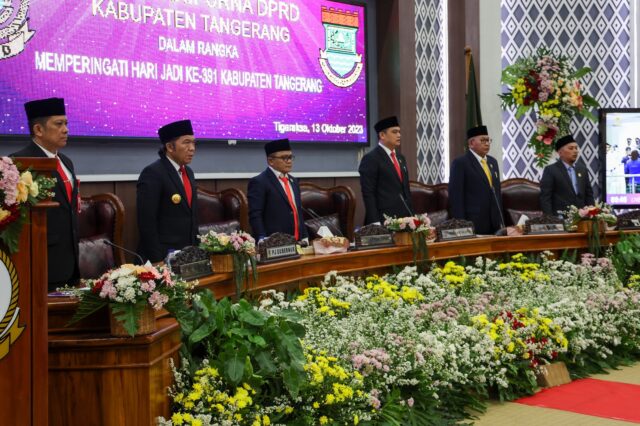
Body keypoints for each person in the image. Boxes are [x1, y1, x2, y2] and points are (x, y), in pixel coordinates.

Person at [10, 97, 79, 291]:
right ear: (38, 130)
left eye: (66, 123)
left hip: (70, 261)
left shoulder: (66, 162)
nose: (65, 129)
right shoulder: (19, 163)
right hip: (41, 260)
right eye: (58, 124)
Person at [136, 120, 199, 262]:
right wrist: (158, 260)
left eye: (194, 143)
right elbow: (147, 223)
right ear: (170, 147)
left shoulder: (188, 172)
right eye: (186, 142)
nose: (192, 148)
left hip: (188, 256)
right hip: (163, 258)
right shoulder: (153, 173)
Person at [248, 138, 308, 242]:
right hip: (274, 243)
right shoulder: (259, 182)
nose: (289, 161)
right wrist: (262, 239)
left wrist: (305, 236)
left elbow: (297, 211)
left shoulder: (293, 181)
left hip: (297, 242)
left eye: (290, 157)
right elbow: (255, 215)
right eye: (284, 158)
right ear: (271, 161)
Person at [448, 125, 504, 234]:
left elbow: (496, 192)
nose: (487, 143)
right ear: (471, 143)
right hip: (473, 222)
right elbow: (456, 197)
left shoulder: (493, 162)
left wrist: (500, 219)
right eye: (483, 140)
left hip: (494, 222)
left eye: (488, 140)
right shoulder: (461, 163)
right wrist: (461, 225)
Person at [358, 116, 413, 225]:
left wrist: (412, 216)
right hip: (384, 220)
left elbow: (405, 190)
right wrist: (375, 222)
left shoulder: (401, 158)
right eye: (394, 132)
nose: (399, 135)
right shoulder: (371, 158)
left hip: (405, 219)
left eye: (399, 132)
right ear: (382, 135)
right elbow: (368, 193)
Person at [540, 134, 595, 216]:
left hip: (582, 219)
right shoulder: (551, 170)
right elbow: (545, 198)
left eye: (576, 148)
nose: (575, 151)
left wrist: (592, 214)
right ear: (560, 152)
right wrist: (550, 220)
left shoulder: (582, 169)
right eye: (571, 148)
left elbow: (589, 195)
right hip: (560, 219)